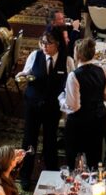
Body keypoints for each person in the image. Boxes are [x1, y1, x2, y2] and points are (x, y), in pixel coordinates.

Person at [16, 31, 73, 183]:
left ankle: (52, 174)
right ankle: (25, 175)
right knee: (29, 139)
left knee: (50, 140)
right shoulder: (35, 55)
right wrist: (20, 76)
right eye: (42, 43)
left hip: (52, 107)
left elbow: (70, 84)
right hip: (33, 104)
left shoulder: (66, 61)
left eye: (48, 44)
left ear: (57, 44)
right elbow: (26, 72)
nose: (44, 47)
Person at [60, 37, 106, 168]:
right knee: (94, 157)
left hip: (79, 124)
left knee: (75, 158)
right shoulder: (103, 70)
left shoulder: (74, 75)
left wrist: (61, 98)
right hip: (98, 120)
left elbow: (73, 106)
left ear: (77, 54)